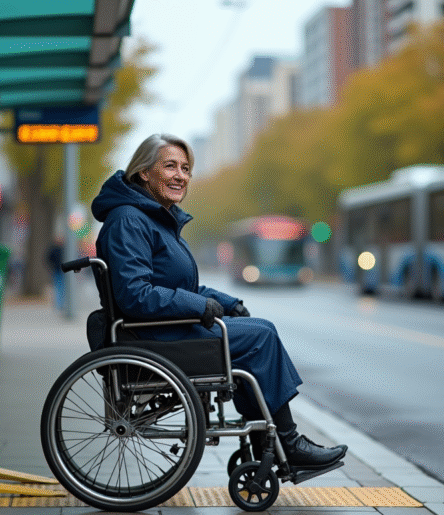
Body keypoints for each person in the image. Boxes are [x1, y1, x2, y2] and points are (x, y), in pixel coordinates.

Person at [90, 133, 347, 469]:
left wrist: (227, 302)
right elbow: (135, 294)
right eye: (170, 166)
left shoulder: (152, 218)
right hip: (154, 335)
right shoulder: (129, 220)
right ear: (143, 173)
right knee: (260, 337)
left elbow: (181, 285)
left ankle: (267, 446)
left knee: (252, 330)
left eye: (186, 168)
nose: (180, 176)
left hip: (164, 329)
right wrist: (198, 307)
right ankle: (288, 443)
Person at [46, 236, 65, 310]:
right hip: (57, 270)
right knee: (59, 287)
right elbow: (48, 259)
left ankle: (60, 304)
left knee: (60, 287)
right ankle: (59, 304)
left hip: (60, 270)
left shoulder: (62, 249)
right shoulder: (56, 250)